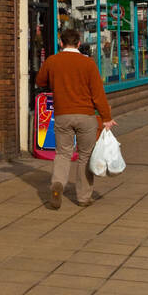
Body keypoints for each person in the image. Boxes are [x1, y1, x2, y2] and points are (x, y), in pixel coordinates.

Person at [36, 27, 116, 209]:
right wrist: (106, 117)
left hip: (63, 115)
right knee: (85, 156)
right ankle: (84, 197)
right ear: (79, 44)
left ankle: (57, 184)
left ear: (61, 43)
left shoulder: (52, 61)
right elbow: (98, 94)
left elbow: (40, 81)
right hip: (86, 116)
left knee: (63, 153)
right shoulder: (87, 64)